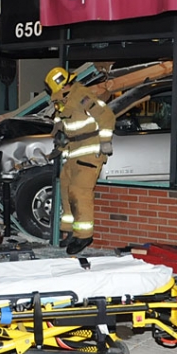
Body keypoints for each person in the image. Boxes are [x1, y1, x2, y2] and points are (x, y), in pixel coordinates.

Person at [45, 66, 114, 255]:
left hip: (89, 152)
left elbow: (107, 117)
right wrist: (59, 141)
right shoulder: (65, 101)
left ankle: (84, 235)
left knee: (79, 192)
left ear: (66, 85)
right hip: (73, 153)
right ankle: (70, 232)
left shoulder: (82, 96)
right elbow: (68, 125)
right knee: (66, 191)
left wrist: (106, 141)